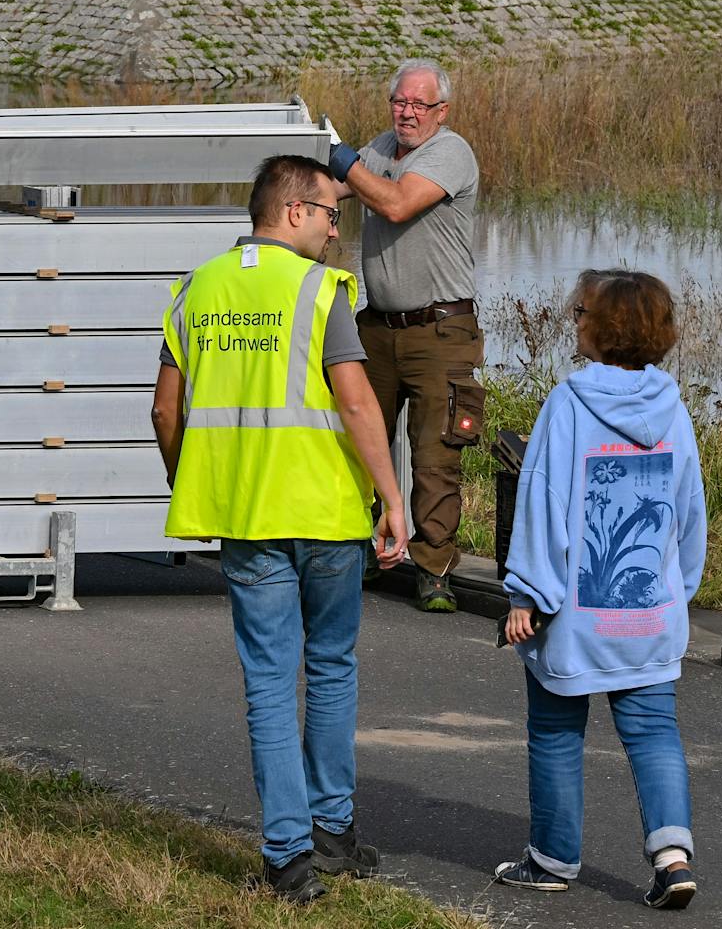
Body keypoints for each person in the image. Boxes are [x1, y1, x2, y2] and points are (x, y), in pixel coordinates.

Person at [152, 153, 409, 906]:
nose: (336, 232)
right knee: (330, 667)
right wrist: (392, 499)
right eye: (332, 214)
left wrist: (191, 480)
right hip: (326, 515)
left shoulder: (195, 289)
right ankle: (332, 832)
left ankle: (288, 860)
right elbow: (358, 406)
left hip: (245, 519)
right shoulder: (317, 290)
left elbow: (167, 412)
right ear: (293, 210)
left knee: (269, 681)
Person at [494, 269, 706, 912]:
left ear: (600, 326)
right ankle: (672, 860)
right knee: (652, 732)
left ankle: (552, 859)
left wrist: (527, 594)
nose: (574, 319)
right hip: (649, 608)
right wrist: (677, 589)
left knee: (557, 729)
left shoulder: (569, 403)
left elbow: (543, 504)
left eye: (580, 311)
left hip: (575, 615)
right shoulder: (673, 406)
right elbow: (688, 511)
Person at [329, 58, 482, 613]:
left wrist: (344, 161)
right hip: (378, 325)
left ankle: (434, 569)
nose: (408, 113)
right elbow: (334, 188)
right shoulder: (379, 148)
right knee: (355, 438)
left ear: (441, 111)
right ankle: (360, 551)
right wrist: (302, 166)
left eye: (420, 104)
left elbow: (394, 204)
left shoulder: (449, 152)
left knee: (435, 453)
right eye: (400, 102)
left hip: (440, 329)